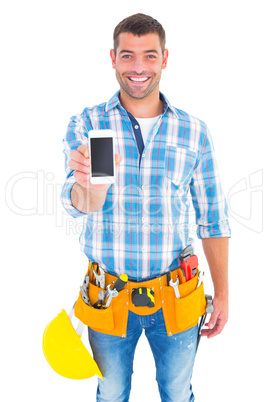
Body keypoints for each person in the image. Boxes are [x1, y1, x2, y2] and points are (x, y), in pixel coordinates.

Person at [61, 13, 231, 402]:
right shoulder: (88, 124)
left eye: (149, 56)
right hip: (108, 297)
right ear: (113, 58)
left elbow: (213, 218)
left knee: (175, 390)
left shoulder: (193, 132)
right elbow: (79, 202)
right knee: (113, 390)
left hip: (177, 296)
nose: (138, 67)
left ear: (165, 59)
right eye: (128, 56)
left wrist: (222, 293)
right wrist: (93, 187)